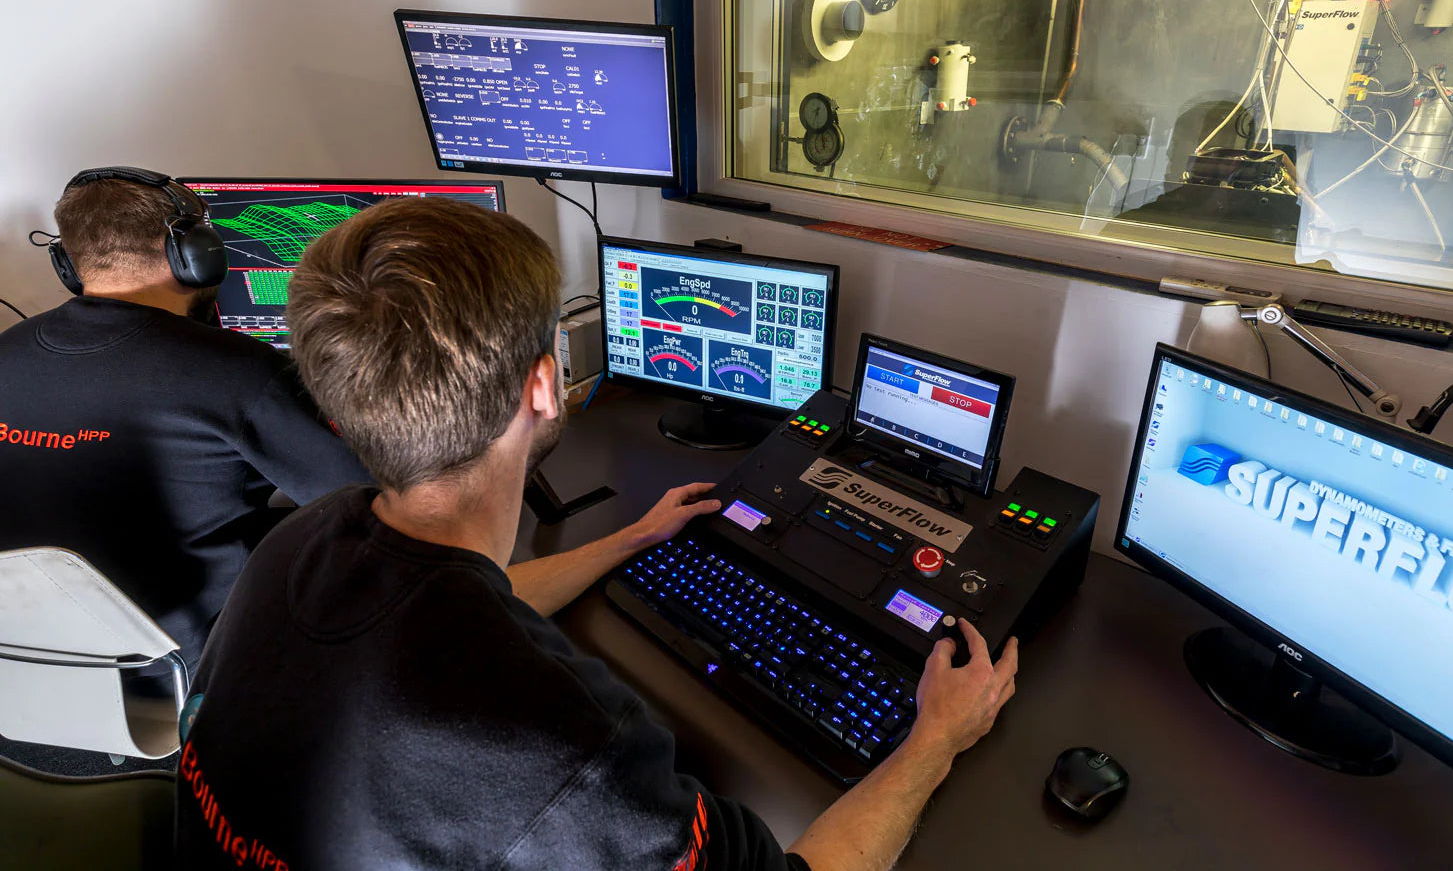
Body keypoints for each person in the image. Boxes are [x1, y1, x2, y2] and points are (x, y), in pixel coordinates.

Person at [176, 197, 1019, 871]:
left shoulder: (301, 542)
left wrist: (627, 540)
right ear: (545, 386)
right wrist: (935, 739)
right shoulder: (569, 744)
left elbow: (457, 603)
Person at [0, 168, 370, 686]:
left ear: (66, 262)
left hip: (27, 659)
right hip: (183, 667)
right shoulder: (240, 371)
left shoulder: (5, 351)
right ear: (196, 255)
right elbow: (364, 493)